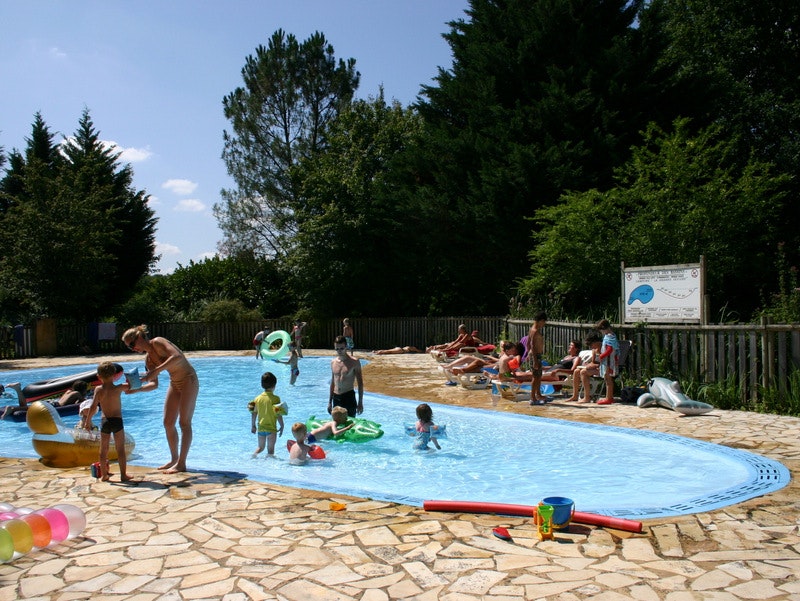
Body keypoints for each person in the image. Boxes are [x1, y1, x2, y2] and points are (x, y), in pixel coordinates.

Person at [122, 324, 200, 473]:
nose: (133, 349)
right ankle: (174, 459)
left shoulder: (158, 342)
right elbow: (153, 384)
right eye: (129, 347)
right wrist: (136, 389)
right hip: (175, 384)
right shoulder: (148, 360)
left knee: (184, 422)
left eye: (132, 344)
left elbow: (177, 356)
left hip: (189, 380)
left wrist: (156, 370)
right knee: (168, 422)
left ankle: (182, 463)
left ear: (139, 337)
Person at [82, 361, 151, 482]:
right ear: (114, 375)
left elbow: (93, 407)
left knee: (103, 450)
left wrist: (87, 422)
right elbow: (135, 385)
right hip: (117, 421)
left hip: (105, 421)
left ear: (99, 376)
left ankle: (104, 475)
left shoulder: (98, 390)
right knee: (120, 449)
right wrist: (144, 378)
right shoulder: (119, 388)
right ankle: (123, 475)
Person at [249, 371, 285, 458]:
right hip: (271, 429)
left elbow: (253, 413)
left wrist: (253, 425)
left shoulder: (257, 398)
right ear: (274, 386)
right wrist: (282, 425)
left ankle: (253, 456)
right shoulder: (276, 399)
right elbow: (278, 414)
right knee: (271, 451)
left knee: (260, 447)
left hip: (261, 429)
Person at [329, 335, 364, 417]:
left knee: (350, 424)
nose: (339, 351)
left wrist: (360, 402)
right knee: (337, 426)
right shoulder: (333, 362)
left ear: (346, 347)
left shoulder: (354, 362)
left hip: (348, 397)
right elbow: (332, 383)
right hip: (336, 397)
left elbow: (360, 383)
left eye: (341, 348)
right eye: (337, 349)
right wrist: (330, 402)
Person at [566, 333, 603, 403]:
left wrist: (595, 366)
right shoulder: (594, 350)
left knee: (583, 372)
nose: (591, 347)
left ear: (596, 342)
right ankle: (575, 395)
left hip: (603, 368)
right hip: (596, 368)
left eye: (591, 345)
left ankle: (587, 397)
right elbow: (594, 362)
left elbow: (605, 362)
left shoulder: (603, 348)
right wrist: (588, 365)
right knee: (576, 371)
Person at [594, 319, 621, 405]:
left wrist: (601, 356)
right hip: (608, 360)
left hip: (609, 361)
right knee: (607, 379)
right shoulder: (611, 335)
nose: (601, 332)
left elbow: (610, 349)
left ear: (604, 328)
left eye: (601, 330)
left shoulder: (609, 336)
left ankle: (609, 398)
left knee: (608, 379)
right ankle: (608, 397)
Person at [527, 312, 547, 405]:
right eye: (544, 322)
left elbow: (528, 343)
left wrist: (528, 353)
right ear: (540, 321)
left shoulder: (532, 329)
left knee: (538, 376)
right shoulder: (535, 331)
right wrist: (534, 360)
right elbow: (532, 345)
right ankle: (532, 397)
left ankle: (538, 394)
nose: (544, 324)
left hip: (535, 355)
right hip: (536, 355)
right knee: (535, 377)